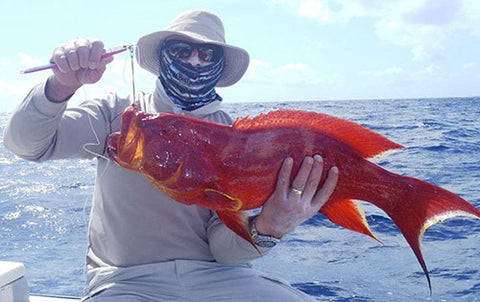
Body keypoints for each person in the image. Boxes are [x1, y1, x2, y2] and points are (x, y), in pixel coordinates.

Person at [4, 10, 339, 302]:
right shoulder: (120, 115)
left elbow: (224, 252)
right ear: (163, 56)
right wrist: (60, 85)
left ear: (219, 66)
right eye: (181, 50)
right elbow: (25, 144)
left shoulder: (236, 137)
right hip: (125, 282)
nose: (194, 61)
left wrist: (272, 225)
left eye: (207, 54)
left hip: (221, 280)